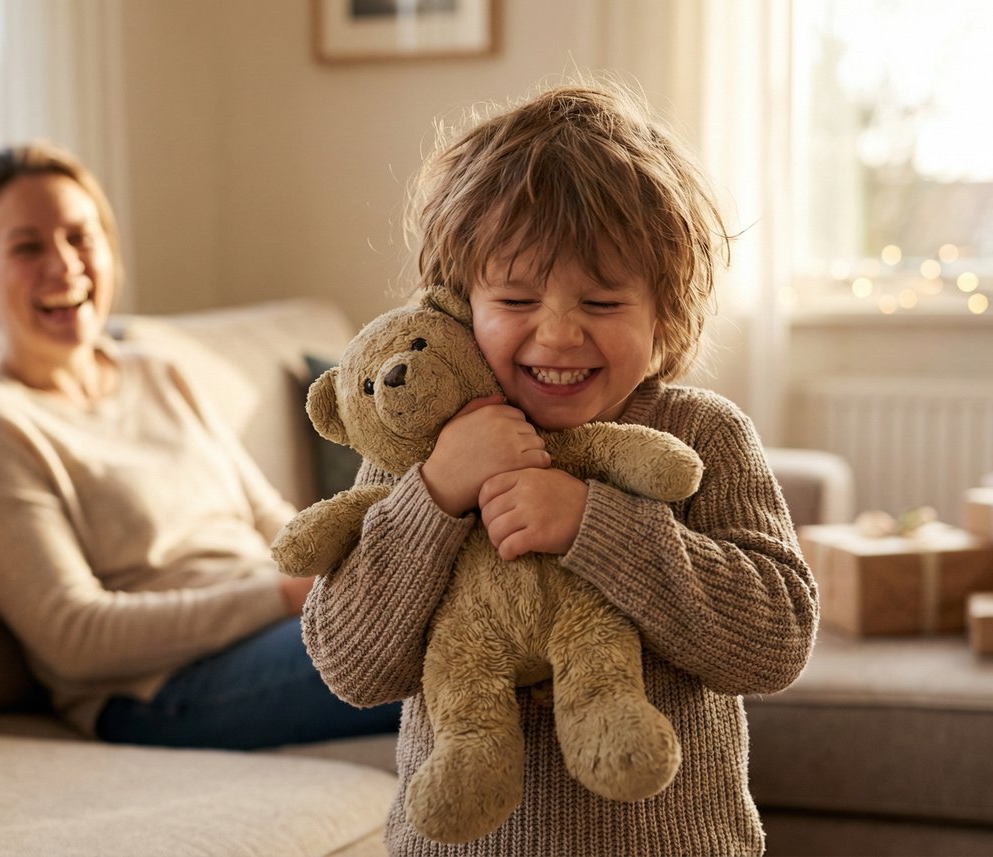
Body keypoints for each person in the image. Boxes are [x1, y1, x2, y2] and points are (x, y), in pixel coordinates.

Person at [300, 82, 819, 855]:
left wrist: (593, 524)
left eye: (602, 303)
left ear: (665, 312)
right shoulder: (418, 451)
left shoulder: (701, 434)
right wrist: (436, 495)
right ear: (454, 304)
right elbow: (350, 665)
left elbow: (776, 639)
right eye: (516, 299)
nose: (559, 333)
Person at [0, 142, 399, 749]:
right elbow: (74, 636)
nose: (64, 264)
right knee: (455, 637)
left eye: (80, 237)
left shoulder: (157, 371)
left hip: (283, 623)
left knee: (485, 598)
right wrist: (282, 597)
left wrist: (354, 572)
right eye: (28, 247)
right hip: (161, 688)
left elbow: (272, 521)